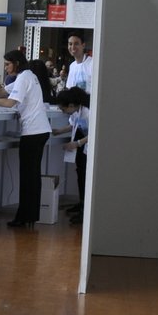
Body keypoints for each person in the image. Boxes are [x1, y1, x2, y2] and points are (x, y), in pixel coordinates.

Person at [0, 48, 54, 228]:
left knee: (29, 177)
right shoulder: (26, 76)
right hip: (38, 131)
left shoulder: (25, 77)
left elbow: (10, 102)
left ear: (16, 63)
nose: (5, 67)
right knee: (31, 176)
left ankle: (25, 216)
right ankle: (29, 216)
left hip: (33, 132)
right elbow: (3, 92)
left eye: (8, 64)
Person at [54, 85, 90, 223]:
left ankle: (84, 209)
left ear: (70, 105)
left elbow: (94, 132)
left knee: (84, 176)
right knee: (80, 174)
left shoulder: (87, 112)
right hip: (81, 146)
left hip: (85, 145)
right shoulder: (76, 111)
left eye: (64, 109)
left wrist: (78, 143)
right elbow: (73, 125)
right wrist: (58, 131)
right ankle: (81, 203)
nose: (64, 112)